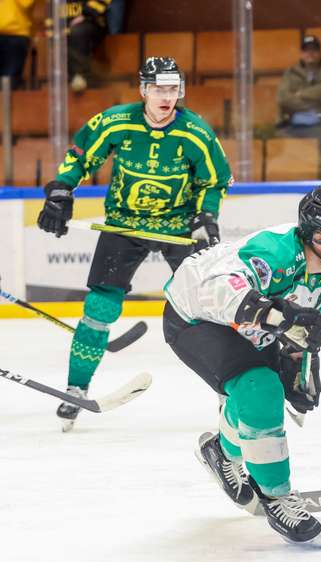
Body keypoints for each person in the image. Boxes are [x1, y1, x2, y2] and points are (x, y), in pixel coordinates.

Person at [162, 184, 321, 546]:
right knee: (259, 389)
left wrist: (300, 363)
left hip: (248, 325)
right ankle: (276, 497)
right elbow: (221, 291)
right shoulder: (275, 250)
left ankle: (221, 451)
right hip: (196, 316)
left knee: (261, 394)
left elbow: (295, 325)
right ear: (320, 237)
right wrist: (282, 318)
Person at [36, 56, 231, 432]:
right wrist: (61, 191)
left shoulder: (196, 132)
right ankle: (77, 387)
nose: (166, 96)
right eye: (158, 88)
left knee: (210, 308)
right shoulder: (116, 121)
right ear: (143, 90)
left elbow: (215, 180)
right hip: (124, 224)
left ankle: (232, 389)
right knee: (99, 307)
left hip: (178, 226)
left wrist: (206, 217)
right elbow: (81, 155)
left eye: (172, 89)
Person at [276, 34, 321, 138]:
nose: (310, 53)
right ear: (301, 54)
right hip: (294, 124)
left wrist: (300, 94)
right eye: (306, 50)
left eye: (314, 50)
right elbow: (283, 98)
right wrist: (311, 106)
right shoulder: (290, 72)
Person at [64, 0, 111, 91]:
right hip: (66, 24)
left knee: (77, 32)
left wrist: (86, 15)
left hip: (91, 21)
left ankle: (80, 75)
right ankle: (70, 77)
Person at [0, 0, 35, 89]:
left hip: (16, 34)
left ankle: (7, 102)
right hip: (16, 36)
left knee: (10, 81)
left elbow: (27, 3)